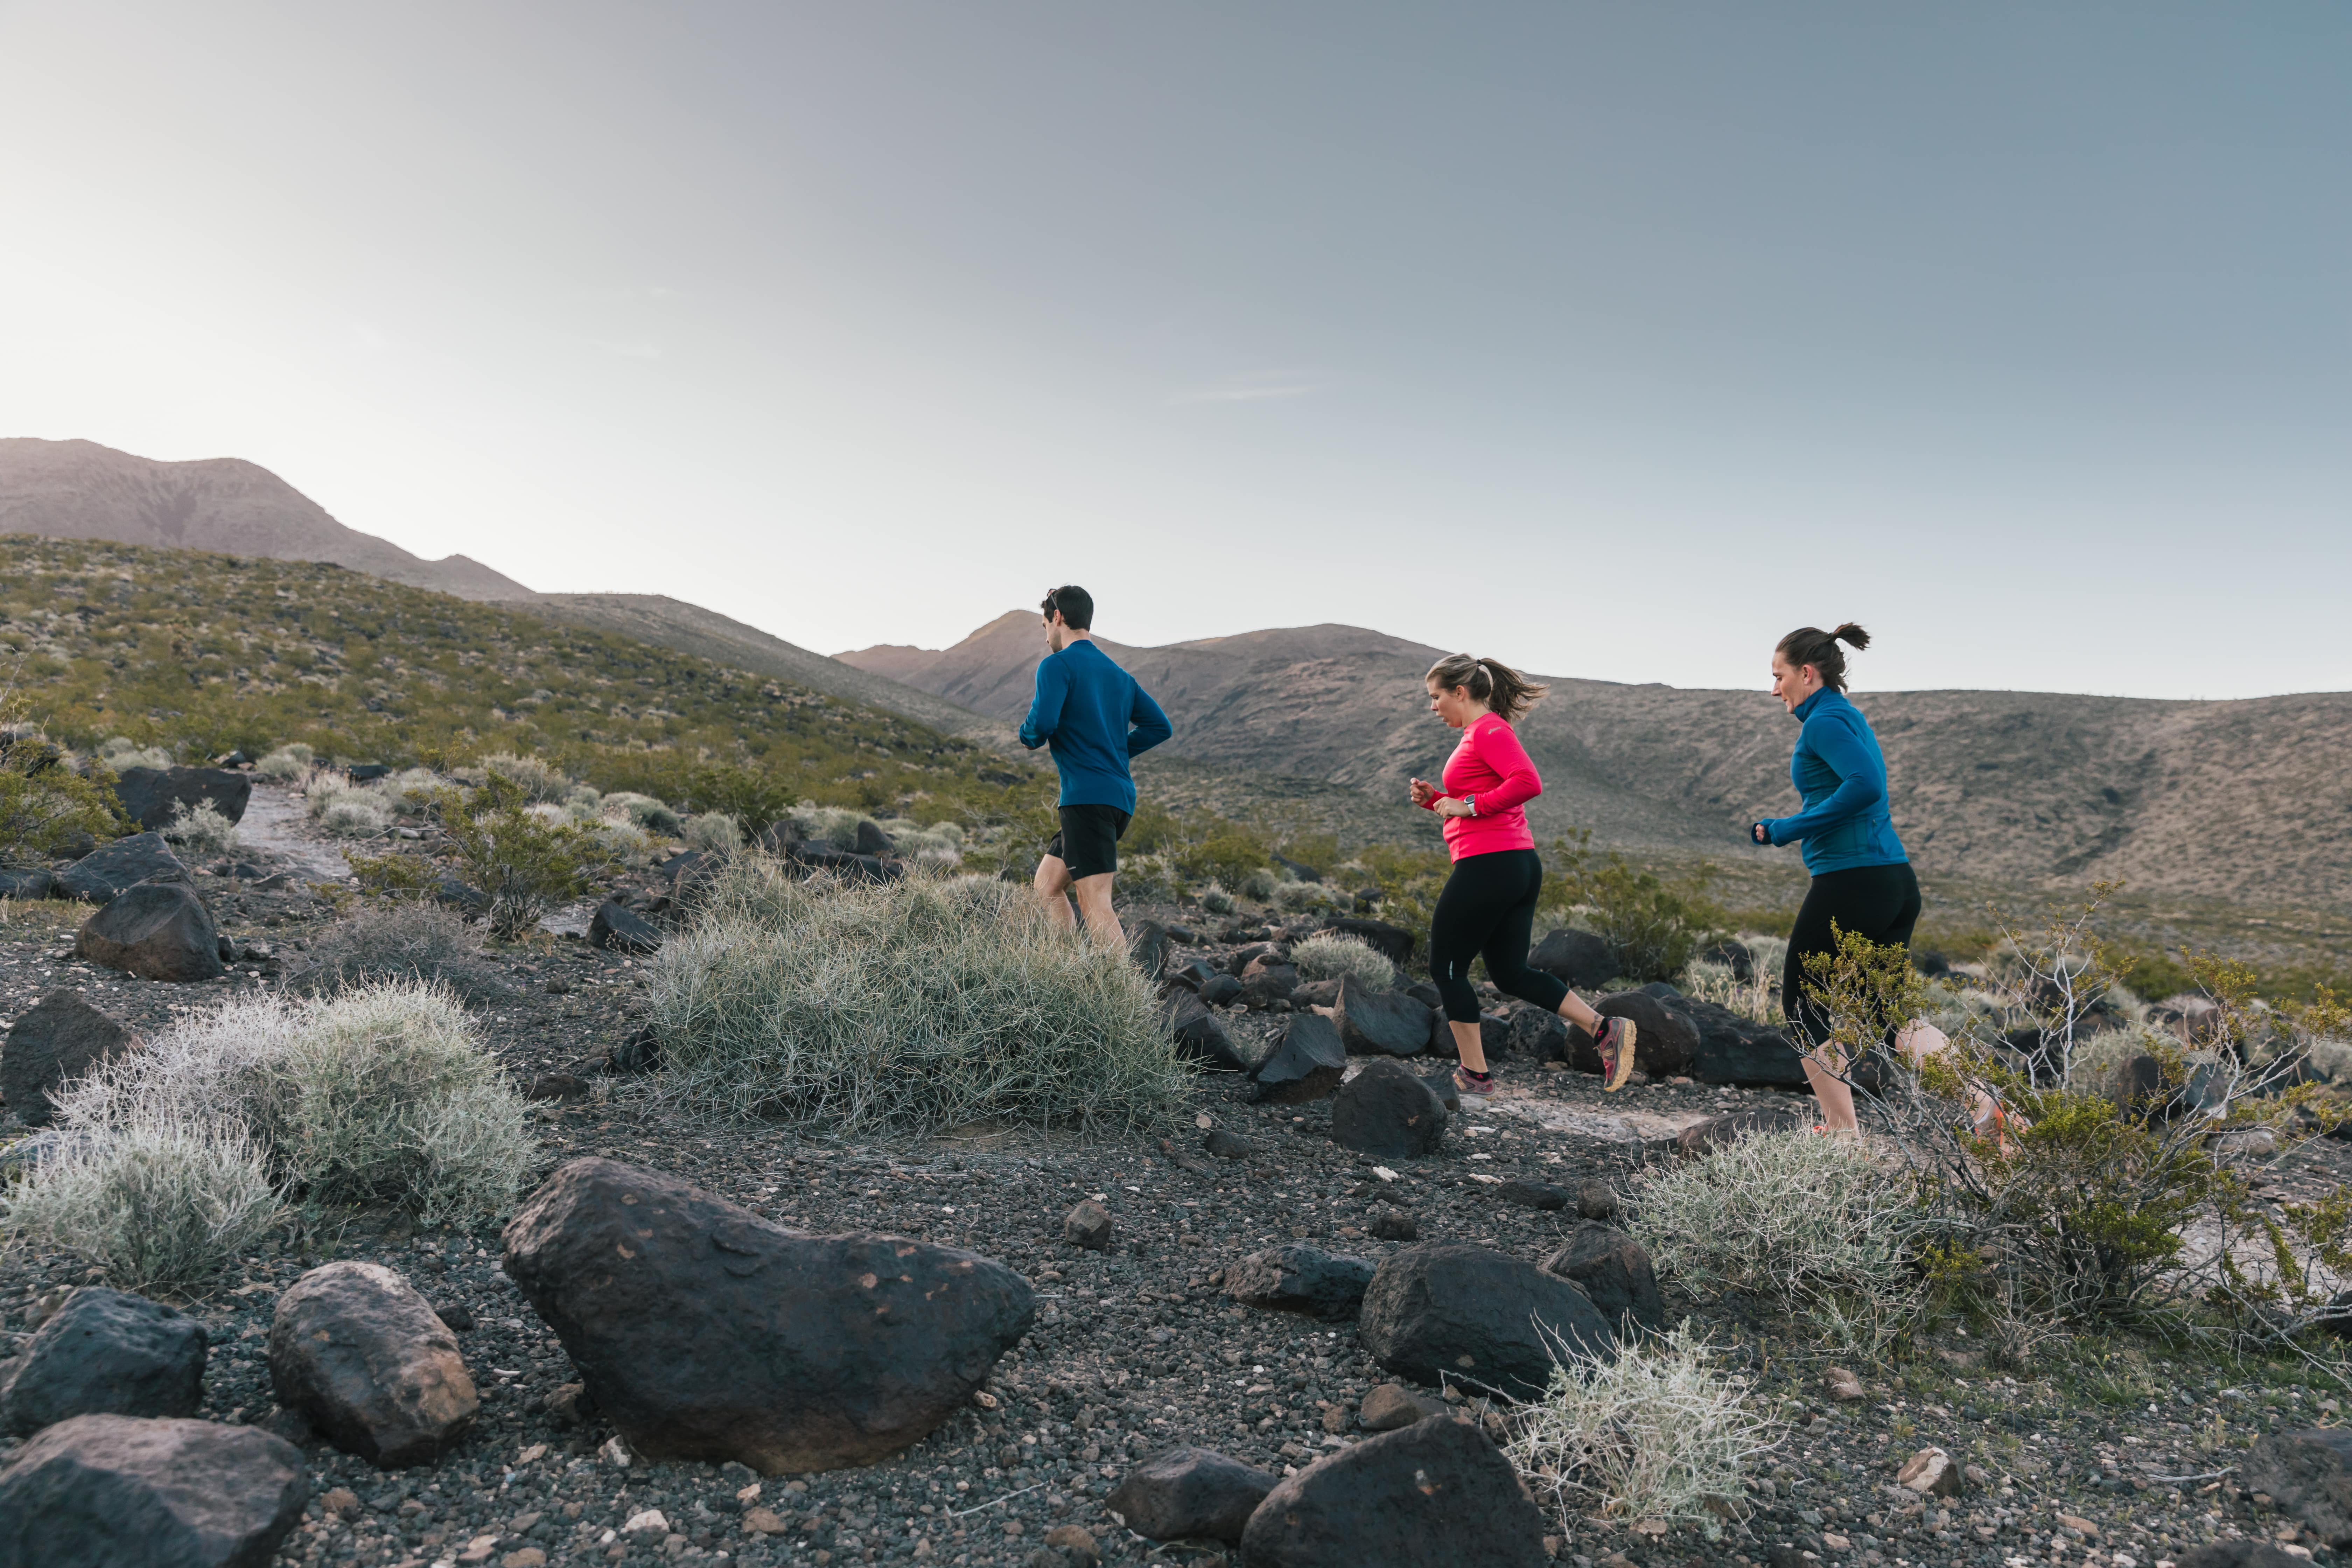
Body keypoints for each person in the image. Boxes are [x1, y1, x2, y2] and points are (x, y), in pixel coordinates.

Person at [1410, 653, 1636, 1106]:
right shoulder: (1479, 734)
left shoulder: (1490, 729)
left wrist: (1468, 806)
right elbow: (1488, 793)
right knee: (1510, 972)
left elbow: (1527, 782)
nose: (1433, 707)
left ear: (1460, 692)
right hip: (1511, 863)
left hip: (1489, 864)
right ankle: (1604, 1029)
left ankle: (1475, 1074)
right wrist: (1440, 800)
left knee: (1446, 966)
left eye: (1436, 697)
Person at [1748, 623, 1921, 1134]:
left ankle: (1843, 1134)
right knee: (1890, 1014)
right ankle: (1985, 1105)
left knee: (1802, 1005)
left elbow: (1865, 786)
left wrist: (1786, 829)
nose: (1774, 688)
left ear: (1806, 673)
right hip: (1892, 882)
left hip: (1852, 882)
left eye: (1778, 676)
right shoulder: (1847, 717)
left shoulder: (1823, 723)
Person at [1018, 585, 1172, 947]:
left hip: (1087, 801)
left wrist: (1026, 735)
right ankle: (1062, 969)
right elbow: (1159, 726)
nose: (1046, 640)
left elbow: (1040, 728)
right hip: (1112, 798)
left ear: (1057, 618)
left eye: (1044, 628)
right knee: (1047, 887)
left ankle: (1123, 999)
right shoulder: (1120, 675)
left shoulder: (1058, 665)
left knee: (1095, 903)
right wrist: (1115, 753)